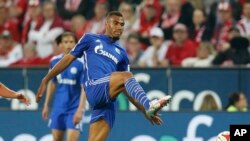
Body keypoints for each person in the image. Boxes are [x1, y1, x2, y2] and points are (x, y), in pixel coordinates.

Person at [36, 11, 171, 141]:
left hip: (107, 103)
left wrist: (144, 112)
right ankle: (149, 104)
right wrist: (46, 78)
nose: (119, 27)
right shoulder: (90, 39)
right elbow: (68, 58)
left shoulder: (122, 53)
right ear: (106, 24)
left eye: (122, 24)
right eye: (115, 23)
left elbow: (126, 88)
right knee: (126, 76)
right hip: (94, 87)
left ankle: (148, 107)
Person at [41, 32, 86, 141]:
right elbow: (52, 83)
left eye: (71, 42)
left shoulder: (81, 63)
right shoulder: (54, 61)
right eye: (65, 42)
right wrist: (46, 105)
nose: (69, 45)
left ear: (76, 44)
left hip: (74, 109)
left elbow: (84, 88)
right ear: (60, 44)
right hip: (58, 108)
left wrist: (80, 110)